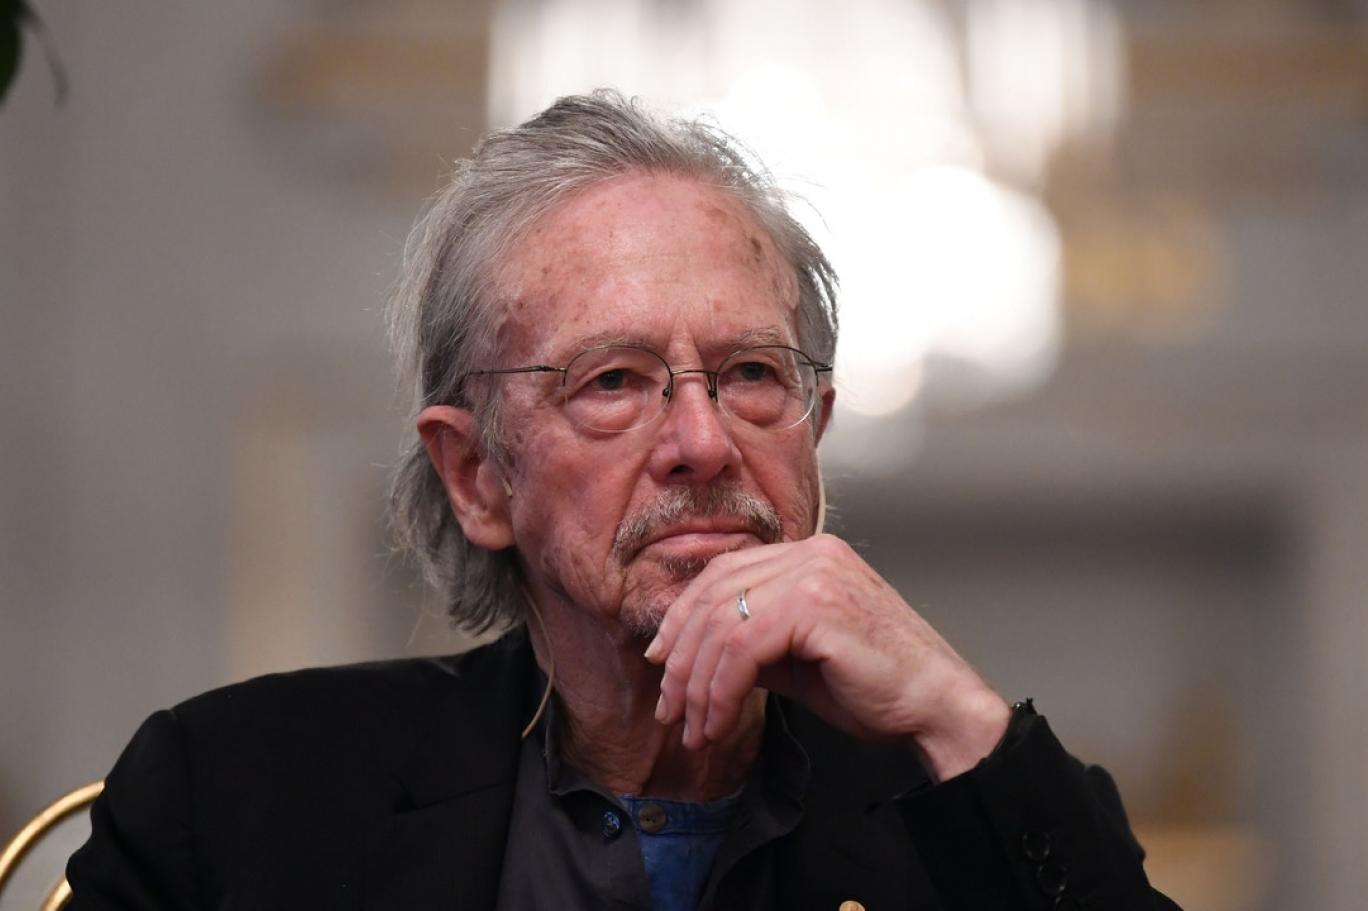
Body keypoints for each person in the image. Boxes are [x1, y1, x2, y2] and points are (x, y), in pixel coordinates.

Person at [68, 90, 1179, 910]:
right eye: (612, 381)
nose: (703, 441)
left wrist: (955, 713)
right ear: (477, 474)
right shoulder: (239, 795)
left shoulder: (974, 802)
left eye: (753, 373)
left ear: (817, 432)